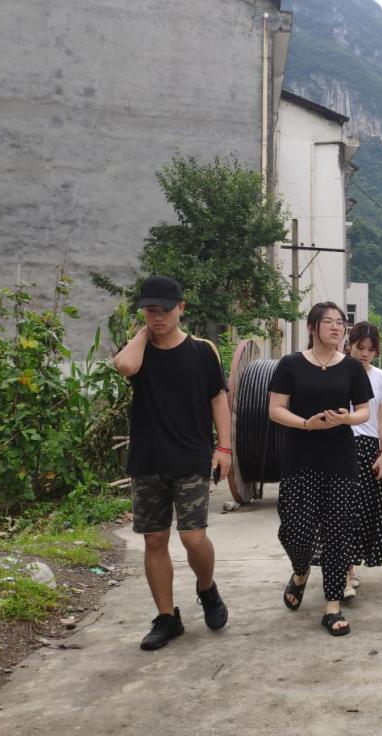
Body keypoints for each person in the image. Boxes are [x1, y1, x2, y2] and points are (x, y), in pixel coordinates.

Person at [112, 274, 230, 651]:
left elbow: (218, 398)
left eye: (165, 309)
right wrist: (144, 334)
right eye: (150, 310)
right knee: (155, 539)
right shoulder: (139, 351)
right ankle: (167, 617)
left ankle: (207, 588)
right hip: (148, 458)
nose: (158, 316)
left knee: (193, 537)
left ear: (182, 308)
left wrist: (224, 448)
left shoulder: (202, 351)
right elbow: (123, 367)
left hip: (191, 454)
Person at [268, 302, 372, 636]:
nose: (336, 327)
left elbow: (364, 411)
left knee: (337, 533)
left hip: (340, 460)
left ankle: (332, 605)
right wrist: (306, 424)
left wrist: (346, 419)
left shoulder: (351, 368)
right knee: (294, 531)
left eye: (340, 322)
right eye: (328, 321)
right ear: (312, 327)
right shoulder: (290, 365)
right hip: (300, 458)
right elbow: (275, 409)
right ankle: (300, 571)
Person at [345, 321, 382, 596]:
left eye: (370, 349)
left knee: (361, 512)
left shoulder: (380, 377)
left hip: (369, 448)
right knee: (342, 510)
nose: (364, 353)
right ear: (350, 345)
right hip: (340, 444)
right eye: (359, 347)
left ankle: (350, 568)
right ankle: (345, 574)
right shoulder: (337, 369)